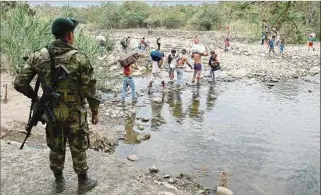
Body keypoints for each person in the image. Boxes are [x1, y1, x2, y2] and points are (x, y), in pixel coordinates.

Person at [13, 18, 100, 194]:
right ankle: (83, 182)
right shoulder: (79, 58)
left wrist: (37, 99)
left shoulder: (39, 56)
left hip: (51, 112)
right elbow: (90, 89)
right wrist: (95, 111)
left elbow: (19, 83)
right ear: (69, 35)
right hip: (75, 112)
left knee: (56, 143)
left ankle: (59, 182)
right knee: (78, 144)